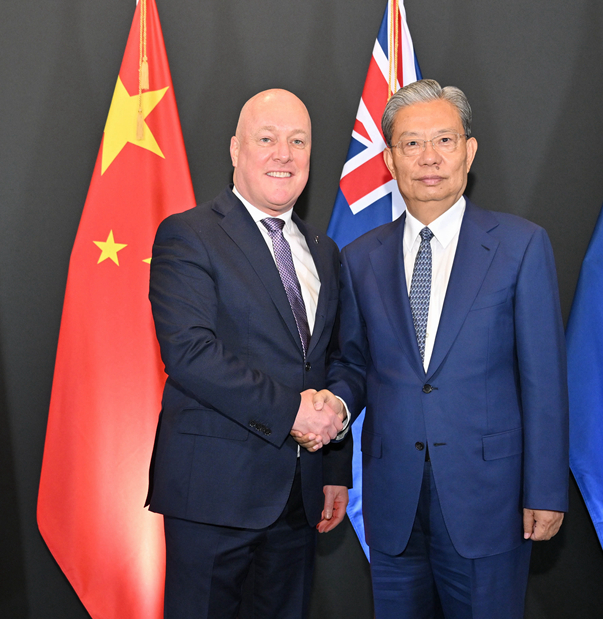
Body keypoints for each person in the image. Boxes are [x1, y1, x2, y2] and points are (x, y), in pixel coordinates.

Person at [322, 79, 569, 618]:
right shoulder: (359, 257)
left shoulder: (520, 245)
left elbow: (544, 379)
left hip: (491, 500)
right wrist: (333, 414)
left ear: (469, 151)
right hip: (393, 501)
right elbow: (354, 364)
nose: (428, 157)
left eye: (444, 140)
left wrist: (546, 489)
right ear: (389, 160)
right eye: (411, 143)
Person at [146, 88, 351, 619]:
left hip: (299, 498)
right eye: (267, 139)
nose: (284, 154)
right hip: (212, 495)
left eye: (298, 141)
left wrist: (334, 465)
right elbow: (190, 353)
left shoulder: (325, 251)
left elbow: (334, 360)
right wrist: (292, 413)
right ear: (236, 149)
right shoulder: (188, 235)